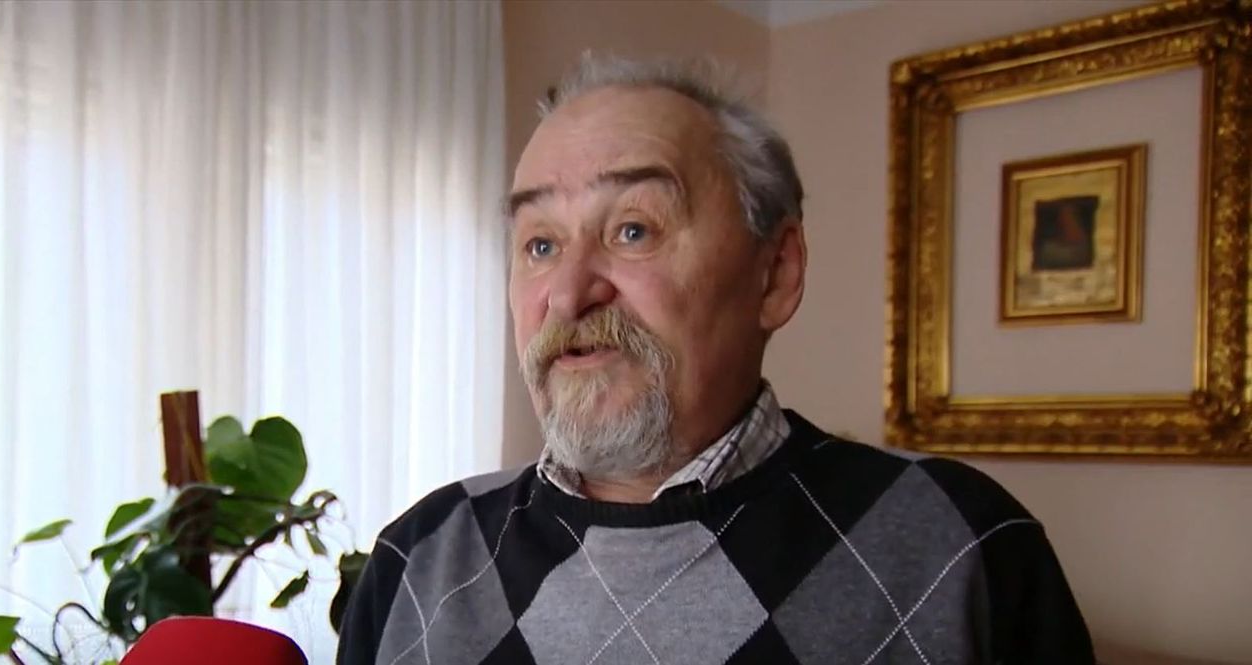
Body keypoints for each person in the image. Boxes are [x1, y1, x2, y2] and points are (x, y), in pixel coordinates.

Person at [336, 54, 1094, 665]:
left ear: (775, 274)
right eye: (540, 243)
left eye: (633, 230)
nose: (566, 293)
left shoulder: (960, 546)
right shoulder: (420, 557)